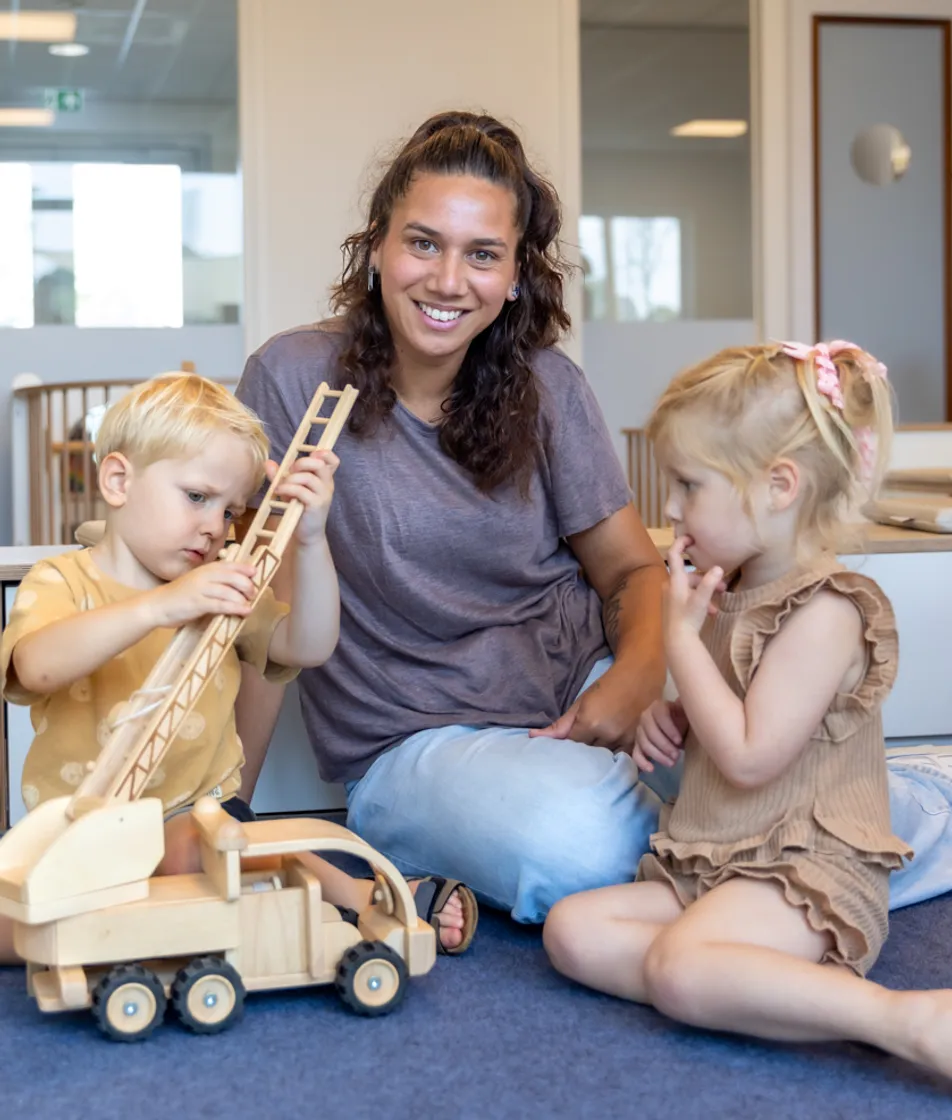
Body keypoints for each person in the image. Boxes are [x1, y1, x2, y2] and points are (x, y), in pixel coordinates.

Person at [235, 110, 952, 925]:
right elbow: (264, 613)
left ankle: (879, 816)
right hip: (410, 748)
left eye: (482, 254)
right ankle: (775, 876)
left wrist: (632, 682)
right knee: (585, 845)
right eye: (423, 242)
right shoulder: (292, 379)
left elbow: (632, 570)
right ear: (377, 247)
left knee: (802, 783)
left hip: (590, 688)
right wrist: (225, 813)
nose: (446, 280)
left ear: (513, 276)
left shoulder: (546, 384)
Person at [542, 341, 952, 1079]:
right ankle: (765, 992)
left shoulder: (828, 611)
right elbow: (721, 714)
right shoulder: (729, 590)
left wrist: (678, 642)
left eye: (688, 485)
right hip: (718, 859)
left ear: (779, 486)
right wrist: (674, 715)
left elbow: (751, 755)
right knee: (573, 932)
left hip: (802, 870)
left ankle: (906, 1019)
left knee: (679, 968)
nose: (668, 509)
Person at [0, 373, 472, 963]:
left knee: (210, 848)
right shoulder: (62, 581)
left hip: (194, 818)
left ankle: (361, 893)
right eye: (197, 497)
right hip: (79, 834)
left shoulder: (221, 587)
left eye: (231, 511)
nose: (214, 526)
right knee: (18, 917)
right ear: (119, 481)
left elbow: (308, 645)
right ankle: (156, 924)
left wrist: (311, 541)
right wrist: (160, 606)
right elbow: (36, 666)